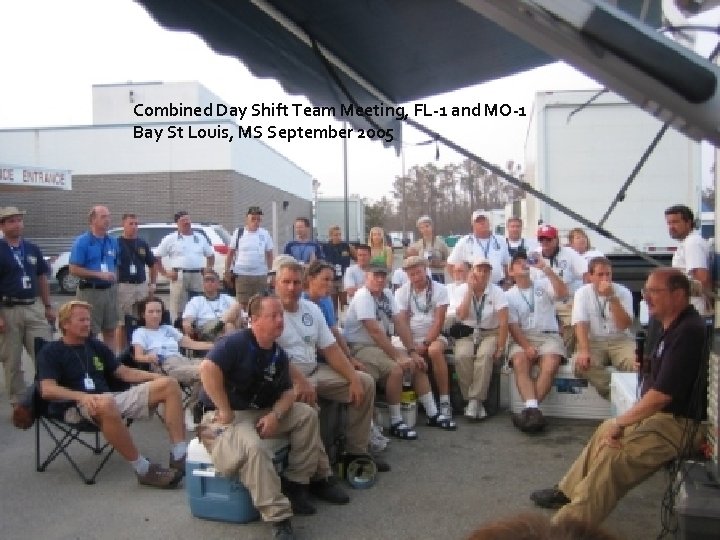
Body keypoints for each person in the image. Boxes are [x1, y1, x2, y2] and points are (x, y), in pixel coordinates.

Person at [531, 269, 706, 527]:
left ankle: (565, 528)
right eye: (645, 291)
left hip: (681, 424)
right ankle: (568, 492)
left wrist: (621, 422)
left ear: (678, 295)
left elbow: (661, 396)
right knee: (605, 429)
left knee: (616, 457)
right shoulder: (667, 325)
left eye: (654, 292)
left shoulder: (689, 331)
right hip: (662, 417)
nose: (646, 297)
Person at [197, 295, 350, 540]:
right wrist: (223, 409)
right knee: (254, 449)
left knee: (306, 414)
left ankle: (297, 484)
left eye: (281, 315)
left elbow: (288, 392)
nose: (280, 320)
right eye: (273, 316)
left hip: (260, 410)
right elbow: (207, 369)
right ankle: (278, 518)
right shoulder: (235, 343)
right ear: (255, 320)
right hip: (226, 415)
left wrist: (275, 415)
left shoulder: (277, 353)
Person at [38, 300, 187, 488]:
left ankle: (180, 455)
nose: (87, 324)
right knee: (105, 402)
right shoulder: (51, 351)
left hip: (109, 398)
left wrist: (156, 377)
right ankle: (143, 469)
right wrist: (82, 396)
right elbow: (47, 389)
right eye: (81, 320)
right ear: (65, 324)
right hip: (75, 406)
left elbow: (123, 372)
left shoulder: (94, 345)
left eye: (88, 320)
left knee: (169, 385)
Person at [273, 259, 377, 467]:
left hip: (314, 369)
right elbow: (271, 355)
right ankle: (319, 470)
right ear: (276, 284)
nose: (292, 287)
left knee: (365, 383)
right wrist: (300, 381)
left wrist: (352, 377)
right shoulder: (269, 311)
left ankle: (355, 453)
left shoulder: (312, 308)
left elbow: (331, 349)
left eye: (296, 282)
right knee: (308, 403)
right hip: (287, 378)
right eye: (286, 282)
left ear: (303, 283)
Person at [343, 261, 456, 439]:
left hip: (379, 345)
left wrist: (411, 352)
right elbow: (375, 332)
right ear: (366, 277)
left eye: (383, 275)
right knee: (397, 369)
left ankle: (433, 413)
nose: (380, 279)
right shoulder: (363, 296)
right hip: (360, 346)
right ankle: (396, 421)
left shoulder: (387, 294)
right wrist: (398, 356)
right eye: (375, 275)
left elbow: (400, 323)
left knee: (416, 363)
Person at [0, 206, 55, 425]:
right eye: (11, 221)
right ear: (2, 226)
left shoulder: (32, 248)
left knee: (45, 352)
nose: (17, 224)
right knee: (12, 359)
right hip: (8, 309)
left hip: (33, 307)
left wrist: (48, 306)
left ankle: (47, 396)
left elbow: (42, 277)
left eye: (19, 220)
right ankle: (19, 403)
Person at [505, 252, 567, 432]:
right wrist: (526, 346)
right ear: (510, 272)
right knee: (519, 361)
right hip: (523, 336)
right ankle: (534, 413)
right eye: (518, 263)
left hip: (548, 336)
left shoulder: (544, 283)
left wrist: (546, 269)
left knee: (551, 363)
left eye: (525, 261)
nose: (523, 264)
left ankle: (530, 410)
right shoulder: (508, 295)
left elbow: (563, 293)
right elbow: (513, 326)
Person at [394, 255, 453, 421]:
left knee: (434, 351)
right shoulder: (401, 292)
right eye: (411, 274)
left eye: (418, 272)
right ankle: (426, 404)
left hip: (434, 336)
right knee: (407, 359)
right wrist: (412, 347)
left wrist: (425, 343)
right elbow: (402, 322)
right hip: (409, 338)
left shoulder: (440, 289)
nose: (416, 277)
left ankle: (445, 400)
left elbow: (438, 321)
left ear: (425, 270)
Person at [450, 256, 509, 420]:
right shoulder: (461, 290)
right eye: (479, 270)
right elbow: (462, 316)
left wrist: (501, 347)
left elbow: (504, 321)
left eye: (486, 271)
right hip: (467, 332)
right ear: (472, 271)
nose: (482, 274)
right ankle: (472, 400)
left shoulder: (497, 292)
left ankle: (476, 400)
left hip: (490, 332)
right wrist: (470, 290)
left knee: (484, 356)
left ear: (490, 274)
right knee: (462, 356)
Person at [571, 257, 635, 398]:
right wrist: (584, 350)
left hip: (620, 340)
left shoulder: (623, 292)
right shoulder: (582, 293)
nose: (605, 278)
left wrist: (612, 297)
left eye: (608, 274)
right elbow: (580, 323)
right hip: (594, 341)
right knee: (582, 364)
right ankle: (618, 396)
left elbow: (623, 325)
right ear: (590, 276)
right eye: (600, 275)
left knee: (636, 364)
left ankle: (632, 397)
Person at [131, 297, 212, 405]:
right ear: (143, 314)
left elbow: (191, 344)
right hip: (165, 366)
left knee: (215, 366)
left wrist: (215, 346)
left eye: (158, 311)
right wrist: (148, 357)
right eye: (151, 312)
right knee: (205, 372)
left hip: (184, 360)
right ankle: (195, 407)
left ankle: (198, 405)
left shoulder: (167, 329)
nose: (155, 315)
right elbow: (138, 356)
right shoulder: (140, 332)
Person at [530, 224, 588, 353]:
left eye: (548, 239)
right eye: (541, 239)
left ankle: (567, 353)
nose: (545, 243)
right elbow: (529, 283)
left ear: (556, 239)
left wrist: (585, 297)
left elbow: (586, 273)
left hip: (565, 300)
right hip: (542, 300)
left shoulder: (569, 253)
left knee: (574, 320)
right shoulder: (534, 256)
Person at [69, 205, 119, 351]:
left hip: (109, 291)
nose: (107, 220)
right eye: (103, 217)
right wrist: (99, 274)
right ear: (92, 220)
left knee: (110, 330)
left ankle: (110, 361)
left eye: (108, 216)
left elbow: (116, 263)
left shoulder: (112, 241)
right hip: (90, 291)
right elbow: (73, 269)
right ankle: (90, 361)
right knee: (90, 332)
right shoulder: (82, 241)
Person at [156, 210, 215, 321]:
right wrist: (166, 273)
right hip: (179, 276)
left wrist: (208, 270)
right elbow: (157, 257)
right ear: (177, 223)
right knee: (179, 307)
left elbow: (210, 256)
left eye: (188, 220)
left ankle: (196, 326)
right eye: (183, 220)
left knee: (198, 303)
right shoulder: (170, 239)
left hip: (197, 275)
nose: (186, 222)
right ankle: (178, 327)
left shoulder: (200, 238)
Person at [114, 213, 158, 351]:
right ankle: (121, 353)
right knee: (122, 322)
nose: (134, 227)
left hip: (141, 286)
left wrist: (152, 284)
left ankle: (139, 349)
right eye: (131, 224)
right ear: (123, 225)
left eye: (136, 224)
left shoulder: (142, 243)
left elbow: (153, 264)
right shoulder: (116, 243)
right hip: (124, 286)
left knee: (141, 319)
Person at [224, 205, 274, 311]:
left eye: (258, 219)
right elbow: (230, 253)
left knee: (260, 304)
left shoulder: (265, 234)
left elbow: (269, 254)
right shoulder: (239, 233)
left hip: (260, 276)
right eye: (253, 219)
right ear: (247, 219)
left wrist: (270, 273)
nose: (256, 222)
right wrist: (227, 271)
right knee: (242, 304)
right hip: (242, 275)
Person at [665, 204, 711, 314]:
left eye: (675, 222)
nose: (671, 227)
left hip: (693, 308)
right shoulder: (687, 243)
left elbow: (702, 278)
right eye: (669, 223)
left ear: (688, 223)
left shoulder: (692, 243)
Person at [447, 210, 511, 287]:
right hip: (473, 287)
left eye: (484, 220)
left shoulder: (500, 240)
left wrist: (508, 282)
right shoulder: (464, 241)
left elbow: (506, 265)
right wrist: (460, 284)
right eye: (478, 221)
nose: (482, 223)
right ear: (473, 225)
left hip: (497, 285)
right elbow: (450, 264)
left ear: (489, 222)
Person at [182, 269, 238, 341]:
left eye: (212, 280)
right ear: (203, 284)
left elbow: (241, 315)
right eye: (206, 280)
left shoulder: (227, 298)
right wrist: (187, 324)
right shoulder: (196, 300)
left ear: (218, 284)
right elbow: (187, 319)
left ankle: (221, 331)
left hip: (226, 327)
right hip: (206, 329)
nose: (209, 283)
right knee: (229, 326)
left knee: (236, 308)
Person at [321, 225, 355, 315]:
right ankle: (334, 318)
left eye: (339, 234)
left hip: (343, 277)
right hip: (331, 278)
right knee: (333, 303)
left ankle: (345, 317)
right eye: (336, 235)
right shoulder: (325, 247)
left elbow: (357, 258)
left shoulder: (346, 246)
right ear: (331, 236)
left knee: (344, 302)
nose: (338, 237)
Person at [411, 216, 449, 283]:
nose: (425, 229)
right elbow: (413, 263)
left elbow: (449, 261)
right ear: (419, 230)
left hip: (438, 276)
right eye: (422, 227)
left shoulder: (441, 243)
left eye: (427, 226)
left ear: (432, 227)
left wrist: (439, 264)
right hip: (423, 277)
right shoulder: (417, 245)